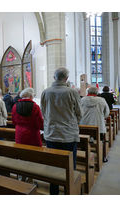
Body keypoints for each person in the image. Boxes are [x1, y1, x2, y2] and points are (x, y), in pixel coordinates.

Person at [41, 67, 82, 195]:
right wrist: (72, 122)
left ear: (54, 77)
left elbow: (43, 112)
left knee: (54, 165)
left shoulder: (46, 92)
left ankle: (54, 193)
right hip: (68, 134)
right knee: (70, 166)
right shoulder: (72, 92)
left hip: (51, 134)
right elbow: (79, 113)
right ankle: (69, 192)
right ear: (67, 78)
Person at [80, 87, 110, 162]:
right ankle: (103, 157)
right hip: (98, 126)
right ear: (97, 93)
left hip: (84, 126)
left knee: (84, 140)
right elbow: (107, 113)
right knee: (101, 141)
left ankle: (84, 156)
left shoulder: (82, 100)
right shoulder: (101, 100)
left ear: (88, 92)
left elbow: (78, 112)